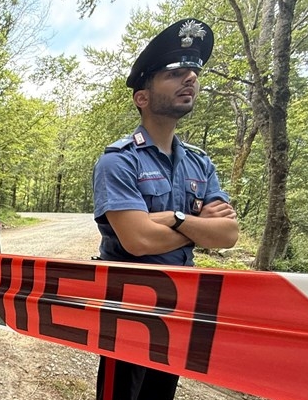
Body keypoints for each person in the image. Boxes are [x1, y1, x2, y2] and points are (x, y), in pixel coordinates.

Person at [92, 18, 239, 400]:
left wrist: (173, 218)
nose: (189, 78)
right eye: (175, 73)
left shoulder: (200, 163)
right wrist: (195, 225)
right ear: (143, 96)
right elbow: (138, 240)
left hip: (178, 308)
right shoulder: (119, 161)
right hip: (126, 311)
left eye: (193, 72)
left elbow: (227, 235)